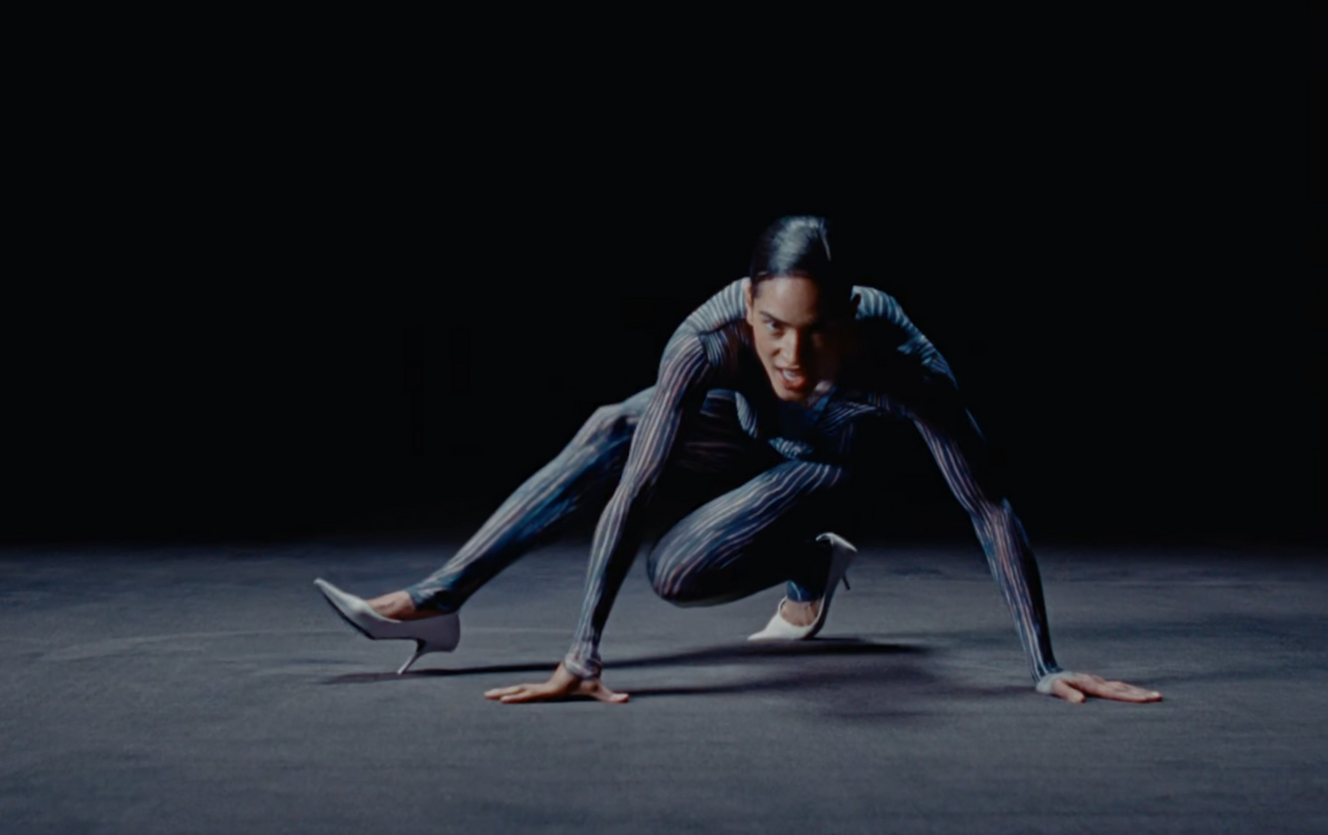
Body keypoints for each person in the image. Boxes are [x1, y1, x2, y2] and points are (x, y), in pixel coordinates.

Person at [314, 216, 1162, 706]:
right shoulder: (707, 340)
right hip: (743, 424)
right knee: (616, 424)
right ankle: (436, 601)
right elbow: (635, 482)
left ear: (847, 315)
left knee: (674, 573)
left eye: (816, 330)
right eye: (774, 330)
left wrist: (1043, 663)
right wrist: (584, 653)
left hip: (830, 462)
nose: (793, 353)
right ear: (748, 307)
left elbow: (988, 505)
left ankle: (809, 561)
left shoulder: (897, 357)